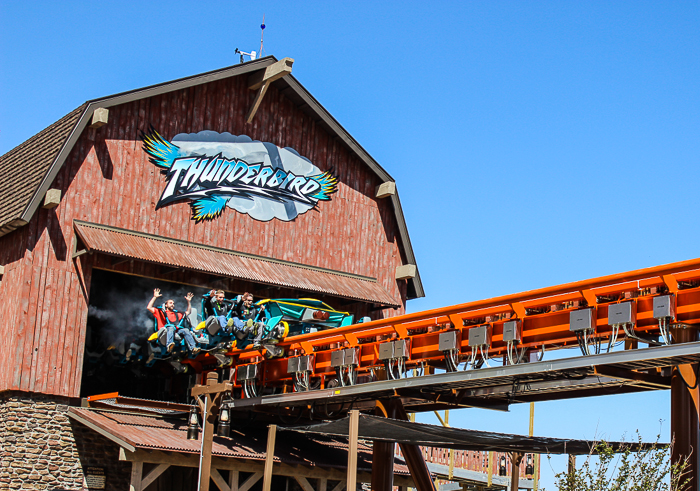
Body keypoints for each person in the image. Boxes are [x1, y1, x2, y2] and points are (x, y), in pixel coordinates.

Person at [146, 288, 199, 355]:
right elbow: (149, 307)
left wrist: (188, 301)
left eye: (173, 303)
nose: (172, 304)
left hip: (175, 332)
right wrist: (154, 297)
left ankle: (193, 348)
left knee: (185, 330)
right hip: (164, 332)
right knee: (171, 327)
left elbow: (188, 312)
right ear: (166, 305)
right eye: (170, 303)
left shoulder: (177, 314)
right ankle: (169, 345)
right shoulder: (161, 312)